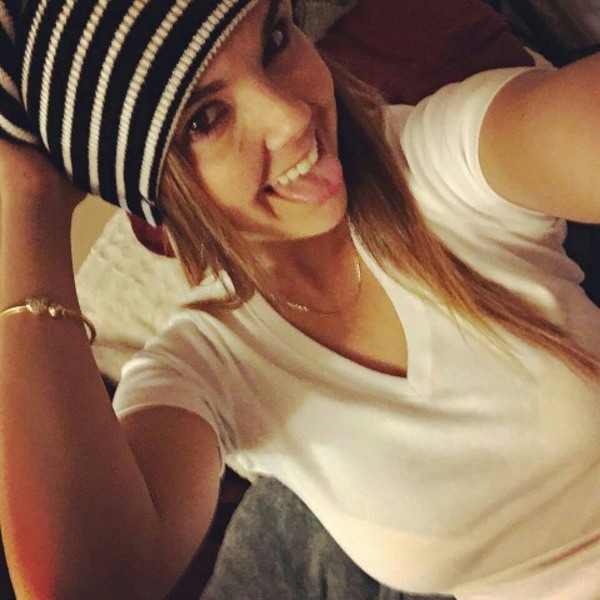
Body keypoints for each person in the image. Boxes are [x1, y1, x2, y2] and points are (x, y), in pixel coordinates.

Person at [0, 0, 599, 599]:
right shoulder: (208, 365)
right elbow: (88, 586)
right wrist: (26, 208)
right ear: (153, 217)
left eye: (274, 41)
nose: (290, 117)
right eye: (205, 119)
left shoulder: (440, 162)